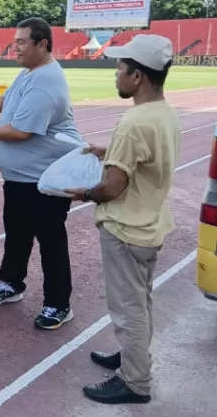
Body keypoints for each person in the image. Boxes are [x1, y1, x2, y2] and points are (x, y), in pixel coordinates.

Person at [66, 35, 180, 405]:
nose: (115, 74)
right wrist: (109, 150)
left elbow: (113, 187)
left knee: (128, 308)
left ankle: (135, 382)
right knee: (141, 301)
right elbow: (145, 161)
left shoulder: (133, 122)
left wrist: (83, 194)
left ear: (138, 77)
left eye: (120, 68)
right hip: (150, 224)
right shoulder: (165, 112)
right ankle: (132, 358)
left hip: (127, 229)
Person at [0, 17, 82, 330]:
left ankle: (58, 303)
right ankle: (11, 283)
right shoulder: (30, 73)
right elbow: (8, 101)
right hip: (21, 179)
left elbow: (22, 131)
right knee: (18, 234)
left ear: (42, 44)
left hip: (44, 180)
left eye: (22, 42)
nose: (15, 47)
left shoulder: (47, 82)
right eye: (15, 41)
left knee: (51, 242)